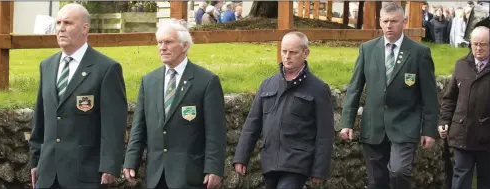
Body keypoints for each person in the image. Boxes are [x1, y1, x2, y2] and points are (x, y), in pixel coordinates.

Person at [339, 3, 439, 189]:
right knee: (376, 180)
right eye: (385, 21)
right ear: (380, 22)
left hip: (404, 125)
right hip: (373, 126)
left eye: (394, 21)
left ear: (404, 22)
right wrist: (346, 122)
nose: (389, 26)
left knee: (399, 171)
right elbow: (354, 88)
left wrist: (429, 129)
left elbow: (430, 96)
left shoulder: (419, 53)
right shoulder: (367, 49)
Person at [28, 3, 128, 189]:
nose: (61, 28)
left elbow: (113, 124)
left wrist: (109, 165)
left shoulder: (106, 69)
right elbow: (40, 118)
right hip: (48, 173)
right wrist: (35, 161)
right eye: (58, 23)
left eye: (68, 23)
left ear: (84, 28)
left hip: (85, 173)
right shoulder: (47, 66)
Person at [122, 19, 227, 189]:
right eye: (159, 42)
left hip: (189, 175)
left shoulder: (206, 81)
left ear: (185, 46)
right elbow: (139, 127)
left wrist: (214, 168)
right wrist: (130, 161)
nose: (162, 47)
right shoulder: (149, 81)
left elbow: (215, 131)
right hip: (156, 176)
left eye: (168, 42)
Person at [233, 31, 335, 189]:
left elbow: (325, 133)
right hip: (270, 160)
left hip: (297, 163)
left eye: (293, 52)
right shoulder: (267, 84)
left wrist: (319, 170)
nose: (287, 56)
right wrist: (241, 157)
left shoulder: (318, 89)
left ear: (305, 53)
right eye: (284, 51)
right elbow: (252, 124)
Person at [438, 26, 490, 189]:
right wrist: (444, 121)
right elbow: (450, 98)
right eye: (475, 44)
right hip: (463, 134)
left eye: (483, 44)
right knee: (460, 177)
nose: (478, 48)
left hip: (487, 136)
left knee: (486, 179)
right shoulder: (461, 65)